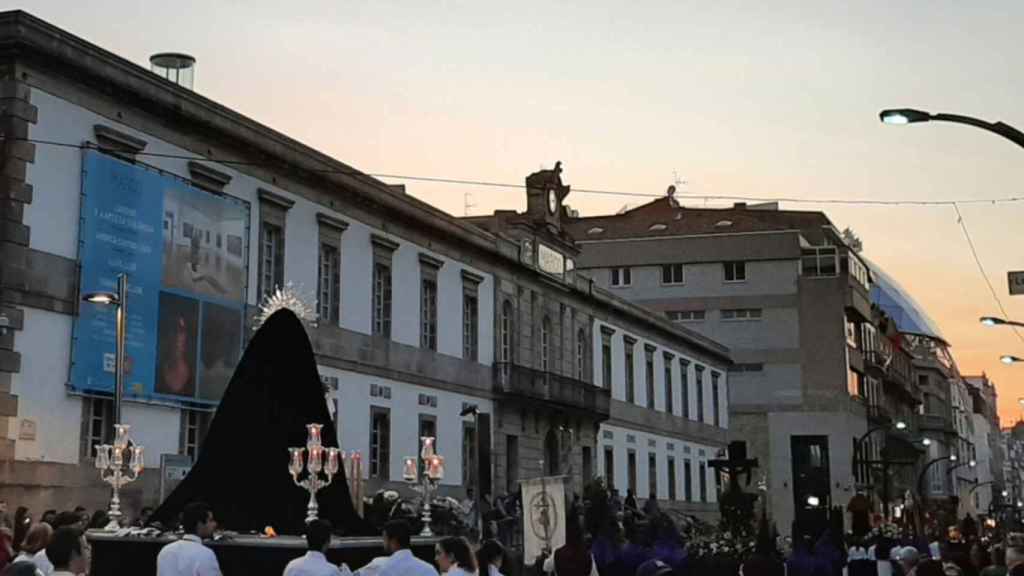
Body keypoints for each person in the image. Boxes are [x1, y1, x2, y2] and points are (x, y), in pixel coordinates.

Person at [156, 502, 221, 576]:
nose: (215, 524)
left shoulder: (165, 551)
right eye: (211, 520)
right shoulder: (206, 554)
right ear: (200, 524)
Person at [542, 510, 598, 576]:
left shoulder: (557, 553)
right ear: (580, 538)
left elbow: (546, 567)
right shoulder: (588, 556)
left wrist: (546, 556)